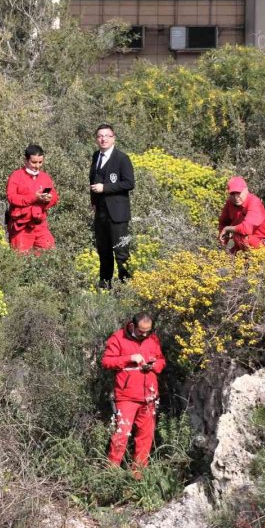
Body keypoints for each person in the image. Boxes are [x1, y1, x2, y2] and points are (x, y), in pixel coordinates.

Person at [101, 312, 165, 477]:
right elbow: (107, 361)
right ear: (133, 325)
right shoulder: (118, 337)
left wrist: (153, 365)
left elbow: (161, 361)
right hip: (126, 396)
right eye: (141, 331)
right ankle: (111, 475)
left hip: (149, 396)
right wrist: (130, 358)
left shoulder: (153, 339)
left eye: (148, 331)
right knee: (121, 435)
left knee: (145, 438)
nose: (145, 334)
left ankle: (138, 476)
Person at [89, 123, 135, 288]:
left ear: (113, 138)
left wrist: (105, 188)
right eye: (100, 136)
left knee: (122, 253)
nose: (103, 139)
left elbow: (129, 183)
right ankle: (105, 286)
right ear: (97, 139)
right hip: (100, 213)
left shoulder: (122, 158)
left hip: (118, 214)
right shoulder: (96, 156)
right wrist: (94, 202)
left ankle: (126, 288)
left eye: (107, 136)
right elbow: (92, 180)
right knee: (104, 251)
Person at [7, 144, 59, 253]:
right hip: (21, 226)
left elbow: (54, 196)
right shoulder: (16, 176)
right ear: (25, 161)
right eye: (34, 162)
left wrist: (49, 199)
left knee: (49, 254)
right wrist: (34, 197)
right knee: (20, 260)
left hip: (40, 225)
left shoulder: (45, 177)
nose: (37, 166)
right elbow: (11, 197)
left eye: (40, 162)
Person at [218, 176, 265, 253]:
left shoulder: (254, 203)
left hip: (261, 243)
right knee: (228, 251)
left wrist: (227, 229)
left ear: (246, 190)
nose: (236, 197)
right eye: (232, 194)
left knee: (240, 236)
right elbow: (222, 222)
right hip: (242, 240)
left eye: (238, 193)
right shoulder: (230, 203)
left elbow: (246, 229)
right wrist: (223, 240)